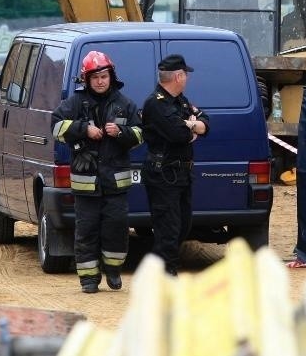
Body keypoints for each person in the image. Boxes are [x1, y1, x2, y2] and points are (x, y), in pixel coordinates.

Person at [51, 51, 142, 293]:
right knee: (86, 230)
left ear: (111, 76)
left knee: (116, 227)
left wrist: (121, 133)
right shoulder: (74, 104)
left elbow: (141, 135)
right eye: (95, 77)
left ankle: (112, 270)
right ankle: (89, 279)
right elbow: (56, 126)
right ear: (86, 80)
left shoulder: (125, 105)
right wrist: (83, 129)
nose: (100, 81)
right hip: (86, 184)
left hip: (115, 184)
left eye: (104, 76)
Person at [141, 54, 209, 276]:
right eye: (185, 74)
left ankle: (158, 270)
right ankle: (167, 275)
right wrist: (190, 126)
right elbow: (178, 134)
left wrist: (192, 124)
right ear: (178, 76)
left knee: (183, 225)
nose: (187, 78)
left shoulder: (181, 100)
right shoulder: (156, 103)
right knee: (168, 230)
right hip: (163, 175)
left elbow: (206, 122)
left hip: (182, 174)